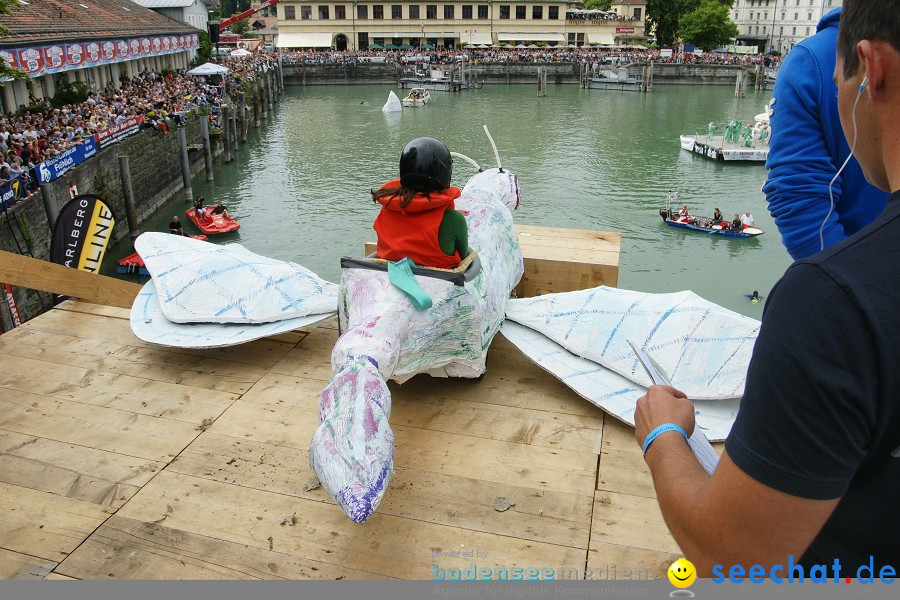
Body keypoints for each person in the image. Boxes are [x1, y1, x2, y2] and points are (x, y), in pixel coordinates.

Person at [633, 0, 900, 574]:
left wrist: (662, 437)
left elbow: (727, 557)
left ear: (869, 70)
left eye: (838, 83)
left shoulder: (834, 308)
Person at [763, 6, 889, 260]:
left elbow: (799, 203)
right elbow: (799, 199)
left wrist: (848, 284)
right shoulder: (812, 61)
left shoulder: (810, 59)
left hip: (853, 271)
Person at [372, 137, 468, 269]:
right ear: (445, 172)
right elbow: (464, 257)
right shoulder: (455, 220)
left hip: (391, 280)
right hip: (439, 285)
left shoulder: (387, 210)